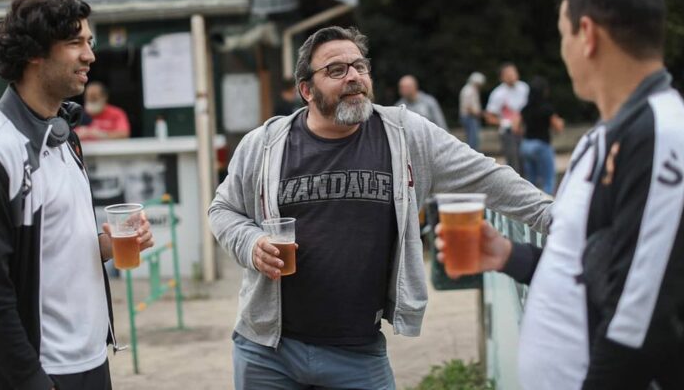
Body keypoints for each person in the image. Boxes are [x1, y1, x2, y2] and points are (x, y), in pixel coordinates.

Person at [209, 25, 554, 389]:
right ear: (307, 90)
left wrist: (559, 219)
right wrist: (250, 244)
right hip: (268, 352)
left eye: (360, 66)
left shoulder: (406, 135)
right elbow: (223, 209)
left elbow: (490, 178)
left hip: (358, 354)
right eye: (337, 70)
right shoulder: (264, 144)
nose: (355, 77)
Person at [437, 0, 684, 389]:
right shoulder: (598, 141)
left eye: (563, 35)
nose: (562, 51)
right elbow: (586, 269)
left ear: (588, 34)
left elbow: (643, 317)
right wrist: (509, 256)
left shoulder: (663, 131)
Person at [0, 0, 154, 390]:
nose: (90, 55)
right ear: (34, 52)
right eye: (75, 43)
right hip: (38, 370)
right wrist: (29, 380)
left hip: (89, 357)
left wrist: (108, 246)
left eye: (89, 42)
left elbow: (50, 247)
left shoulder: (63, 133)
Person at [517, 76, 564, 194]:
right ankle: (548, 207)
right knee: (548, 179)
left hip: (526, 145)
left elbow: (515, 127)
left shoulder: (525, 109)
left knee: (531, 180)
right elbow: (558, 127)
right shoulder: (546, 108)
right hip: (542, 145)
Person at [485, 63, 529, 174]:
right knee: (514, 162)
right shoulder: (498, 94)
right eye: (508, 74)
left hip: (525, 130)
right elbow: (489, 116)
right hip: (508, 132)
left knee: (526, 161)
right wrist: (506, 122)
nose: (511, 76)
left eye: (513, 72)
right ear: (502, 77)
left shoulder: (524, 88)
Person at [459, 71, 486, 150]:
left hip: (470, 117)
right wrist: (479, 114)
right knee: (473, 138)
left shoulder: (470, 89)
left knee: (473, 137)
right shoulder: (469, 90)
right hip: (469, 117)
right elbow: (468, 107)